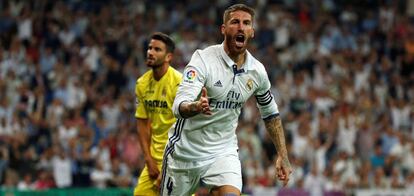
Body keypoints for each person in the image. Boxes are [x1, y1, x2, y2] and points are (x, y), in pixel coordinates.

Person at [160, 4, 292, 196]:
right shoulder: (203, 60)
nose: (241, 27)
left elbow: (271, 113)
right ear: (223, 29)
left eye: (246, 23)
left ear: (252, 32)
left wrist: (283, 154)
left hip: (223, 151)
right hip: (185, 152)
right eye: (235, 22)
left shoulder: (257, 71)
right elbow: (178, 106)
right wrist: (195, 106)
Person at [133, 32, 182, 196]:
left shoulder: (179, 83)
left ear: (168, 57)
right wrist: (148, 159)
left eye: (157, 49)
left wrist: (171, 167)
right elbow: (141, 122)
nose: (150, 52)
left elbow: (188, 127)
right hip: (154, 161)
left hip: (179, 159)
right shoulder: (142, 84)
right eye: (149, 48)